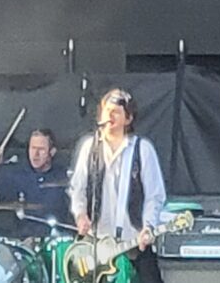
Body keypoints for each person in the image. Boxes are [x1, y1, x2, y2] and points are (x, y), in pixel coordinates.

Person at [68, 88, 166, 283]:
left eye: (116, 112)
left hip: (133, 240)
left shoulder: (142, 149)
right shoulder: (90, 148)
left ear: (128, 119)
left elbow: (154, 196)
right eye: (107, 111)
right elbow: (77, 188)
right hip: (98, 243)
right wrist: (80, 215)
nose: (110, 116)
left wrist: (147, 226)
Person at [0, 128, 71, 236]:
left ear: (52, 152)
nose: (35, 154)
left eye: (41, 149)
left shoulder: (62, 176)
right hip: (19, 238)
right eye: (33, 148)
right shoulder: (15, 173)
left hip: (50, 238)